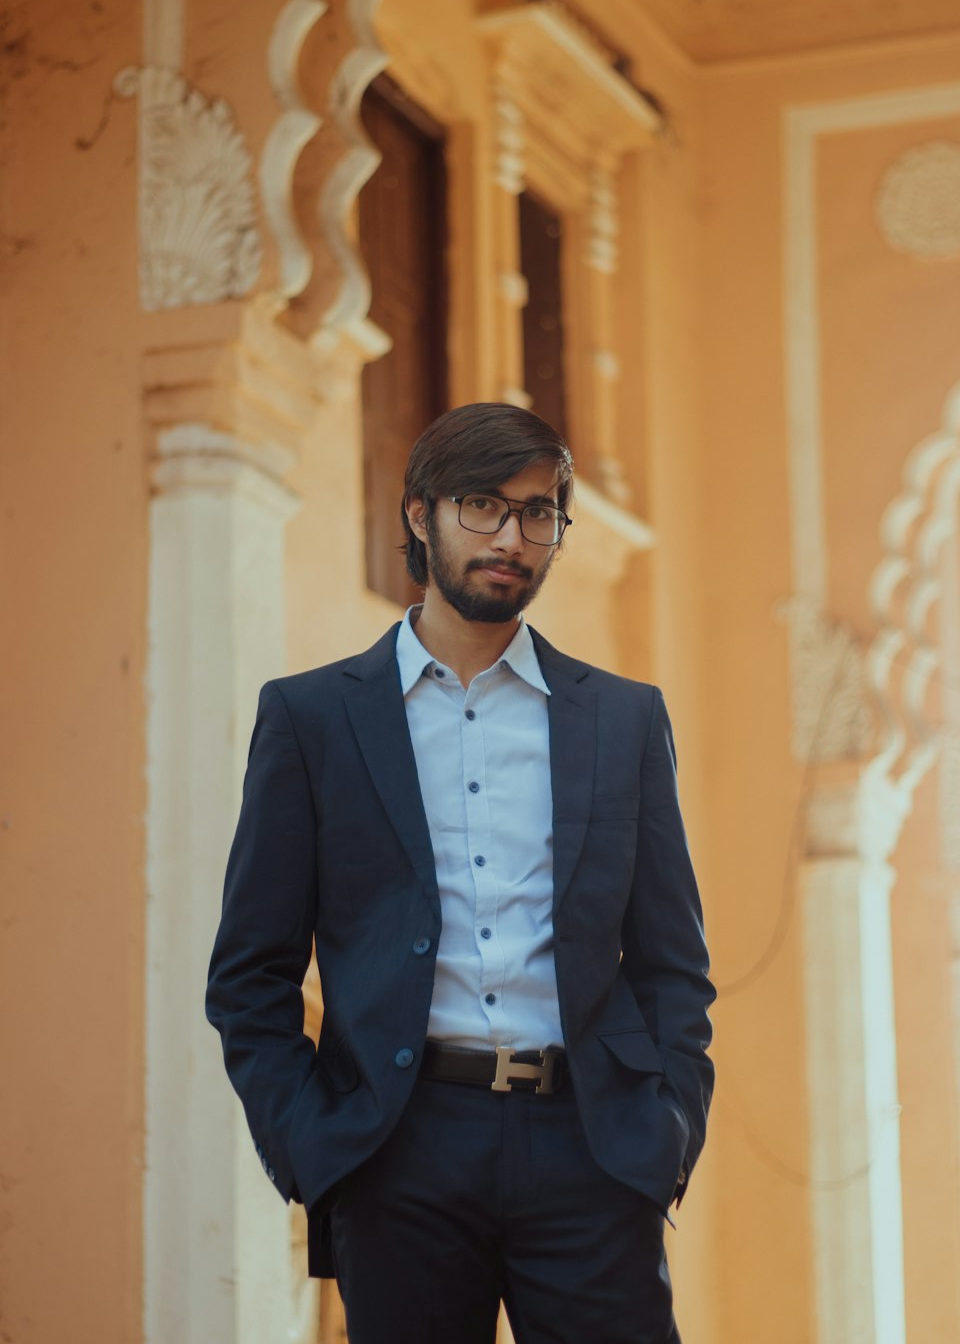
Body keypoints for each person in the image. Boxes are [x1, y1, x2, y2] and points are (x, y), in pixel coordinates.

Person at [206, 401, 714, 1343]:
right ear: (418, 513)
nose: (511, 536)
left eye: (538, 513)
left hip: (592, 1150)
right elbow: (248, 977)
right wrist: (317, 1151)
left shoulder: (625, 721)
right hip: (398, 1155)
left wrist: (664, 1133)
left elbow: (672, 962)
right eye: (482, 504)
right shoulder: (313, 720)